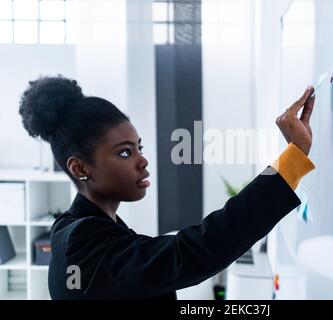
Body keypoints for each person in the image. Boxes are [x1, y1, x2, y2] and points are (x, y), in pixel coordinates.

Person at [18, 75, 316, 300]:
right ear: (80, 168)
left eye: (139, 147)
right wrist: (293, 158)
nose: (143, 161)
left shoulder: (81, 230)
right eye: (125, 152)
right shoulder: (83, 244)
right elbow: (193, 253)